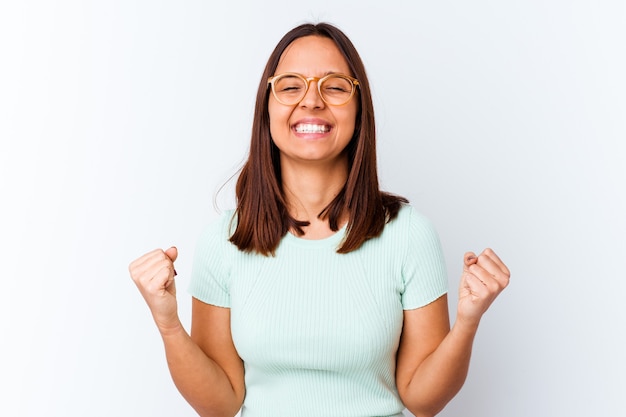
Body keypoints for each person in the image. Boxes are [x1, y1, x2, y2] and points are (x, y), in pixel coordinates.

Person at [129, 22, 510, 417]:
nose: (311, 101)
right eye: (291, 86)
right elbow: (221, 403)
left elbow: (422, 399)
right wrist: (169, 324)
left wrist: (467, 322)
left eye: (335, 86)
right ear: (268, 108)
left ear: (360, 111)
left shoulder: (409, 234)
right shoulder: (224, 240)